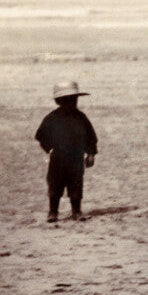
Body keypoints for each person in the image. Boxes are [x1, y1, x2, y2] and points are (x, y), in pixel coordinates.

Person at [35, 80, 98, 224]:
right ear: (59, 101)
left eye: (74, 99)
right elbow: (40, 135)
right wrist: (49, 149)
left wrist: (91, 154)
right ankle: (53, 212)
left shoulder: (81, 117)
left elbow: (91, 137)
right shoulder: (52, 118)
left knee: (76, 185)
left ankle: (76, 211)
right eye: (67, 99)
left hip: (76, 159)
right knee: (55, 185)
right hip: (58, 159)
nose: (72, 102)